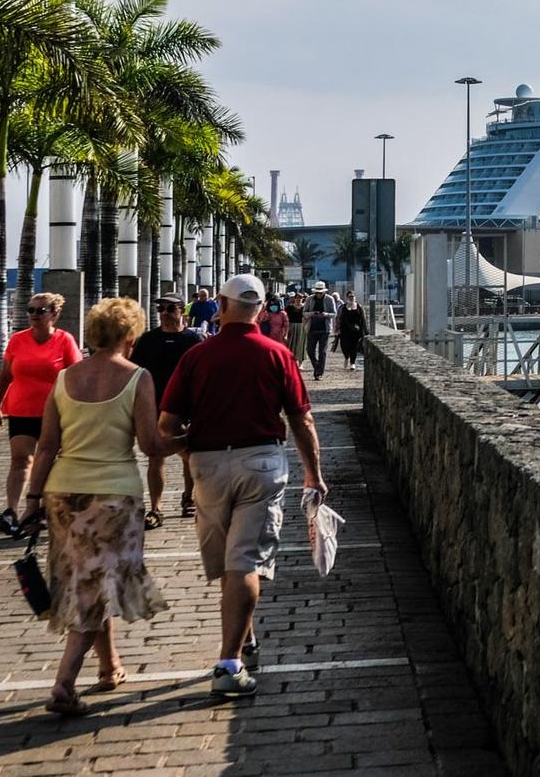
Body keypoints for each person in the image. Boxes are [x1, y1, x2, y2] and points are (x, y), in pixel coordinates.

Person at [158, 274, 326, 698]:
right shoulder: (276, 354)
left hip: (208, 464)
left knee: (230, 563)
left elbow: (168, 424)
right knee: (245, 562)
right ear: (261, 308)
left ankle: (241, 640)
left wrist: (190, 456)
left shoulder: (198, 356)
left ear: (221, 304)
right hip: (262, 462)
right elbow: (301, 419)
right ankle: (230, 663)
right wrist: (314, 474)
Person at [17, 297, 172, 717]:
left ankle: (109, 667)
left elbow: (47, 445)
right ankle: (64, 683)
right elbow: (150, 444)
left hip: (62, 493)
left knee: (89, 580)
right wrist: (189, 440)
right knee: (95, 586)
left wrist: (31, 501)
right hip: (113, 497)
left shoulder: (65, 378)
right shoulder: (137, 377)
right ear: (130, 336)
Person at [0, 293, 82, 537]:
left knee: (49, 460)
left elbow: (75, 376)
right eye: (30, 310)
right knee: (21, 460)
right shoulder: (18, 340)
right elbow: (5, 375)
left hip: (55, 412)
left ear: (54, 314)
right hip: (21, 408)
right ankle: (11, 511)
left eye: (40, 311)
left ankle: (42, 508)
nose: (34, 315)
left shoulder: (65, 340)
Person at [132, 295, 203, 525]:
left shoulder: (193, 340)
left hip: (186, 407)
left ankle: (189, 498)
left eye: (170, 308)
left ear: (182, 311)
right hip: (154, 406)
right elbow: (135, 372)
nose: (164, 312)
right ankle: (156, 509)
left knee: (189, 457)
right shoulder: (147, 340)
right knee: (155, 457)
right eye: (160, 308)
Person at [304, 282, 337, 381]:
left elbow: (334, 314)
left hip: (324, 329)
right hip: (312, 328)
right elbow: (304, 313)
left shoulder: (329, 299)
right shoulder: (309, 299)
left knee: (322, 352)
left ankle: (319, 373)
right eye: (317, 292)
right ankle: (317, 367)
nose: (319, 294)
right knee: (310, 350)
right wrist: (312, 313)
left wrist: (325, 314)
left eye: (320, 293)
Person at [335, 291, 367, 371]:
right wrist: (337, 329)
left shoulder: (359, 307)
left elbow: (363, 319)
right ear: (347, 298)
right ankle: (346, 357)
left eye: (352, 296)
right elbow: (338, 318)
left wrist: (365, 330)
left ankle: (352, 363)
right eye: (350, 296)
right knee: (344, 346)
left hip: (356, 331)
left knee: (354, 347)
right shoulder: (342, 307)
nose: (351, 298)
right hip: (344, 330)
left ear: (355, 297)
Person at [283, 292, 307, 367]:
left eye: (300, 298)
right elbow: (286, 317)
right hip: (292, 326)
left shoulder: (305, 308)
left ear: (302, 299)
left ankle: (301, 363)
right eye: (297, 298)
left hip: (302, 327)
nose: (298, 300)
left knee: (301, 344)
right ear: (294, 299)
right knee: (291, 344)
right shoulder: (289, 308)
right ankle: (292, 361)